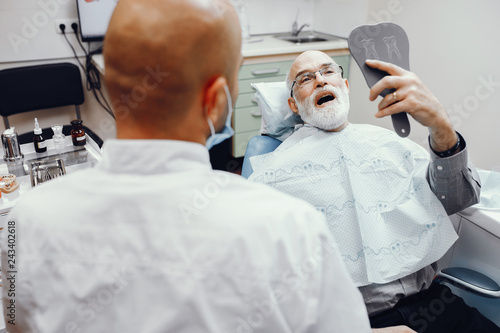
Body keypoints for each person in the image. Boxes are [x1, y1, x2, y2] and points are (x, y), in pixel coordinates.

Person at [0, 1, 372, 332]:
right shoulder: (291, 231)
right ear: (215, 101)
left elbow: (16, 320)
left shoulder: (22, 224)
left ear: (111, 84)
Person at [248, 50, 500, 333]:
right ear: (294, 104)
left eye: (329, 71)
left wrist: (440, 125)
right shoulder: (272, 176)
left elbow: (460, 197)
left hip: (436, 306)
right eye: (306, 78)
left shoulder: (392, 145)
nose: (320, 80)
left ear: (344, 86)